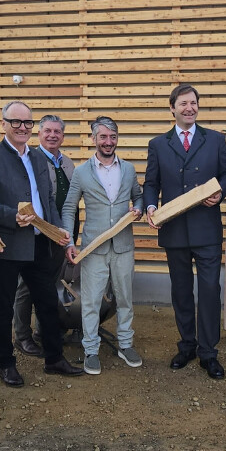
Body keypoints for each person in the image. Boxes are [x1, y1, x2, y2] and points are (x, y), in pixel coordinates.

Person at [0, 101, 81, 387]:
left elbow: (48, 200)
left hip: (40, 244)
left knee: (48, 303)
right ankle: (6, 363)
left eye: (27, 123)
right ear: (4, 124)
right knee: (4, 306)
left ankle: (54, 358)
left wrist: (59, 230)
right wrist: (12, 216)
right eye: (16, 122)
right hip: (7, 245)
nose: (22, 128)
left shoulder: (37, 157)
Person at [144, 84, 226, 380]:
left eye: (193, 103)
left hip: (206, 229)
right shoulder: (158, 144)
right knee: (181, 291)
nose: (189, 108)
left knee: (209, 291)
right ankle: (187, 345)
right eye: (183, 103)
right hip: (174, 230)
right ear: (172, 108)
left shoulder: (215, 140)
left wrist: (220, 192)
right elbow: (150, 183)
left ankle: (209, 352)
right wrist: (148, 207)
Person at [62, 116, 144, 374]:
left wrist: (139, 209)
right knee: (91, 301)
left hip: (123, 246)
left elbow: (138, 197)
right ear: (94, 139)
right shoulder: (81, 172)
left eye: (113, 137)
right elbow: (69, 207)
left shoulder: (129, 169)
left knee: (125, 299)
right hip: (93, 248)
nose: (108, 142)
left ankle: (126, 344)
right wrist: (69, 241)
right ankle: (90, 350)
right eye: (103, 137)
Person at [13, 114, 75, 357]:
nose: (52, 135)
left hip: (58, 235)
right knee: (26, 287)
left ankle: (44, 331)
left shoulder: (68, 163)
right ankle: (22, 336)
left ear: (62, 135)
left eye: (57, 132)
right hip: (34, 234)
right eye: (47, 131)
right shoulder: (30, 160)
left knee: (49, 285)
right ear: (39, 134)